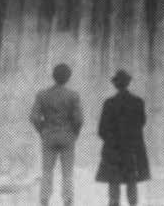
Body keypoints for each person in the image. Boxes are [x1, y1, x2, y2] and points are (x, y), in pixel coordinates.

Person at [30, 63, 83, 206]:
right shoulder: (73, 95)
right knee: (67, 173)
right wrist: (75, 133)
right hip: (67, 136)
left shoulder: (42, 94)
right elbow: (79, 119)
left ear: (53, 76)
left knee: (47, 171)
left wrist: (42, 130)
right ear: (68, 78)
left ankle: (44, 200)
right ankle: (68, 200)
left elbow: (34, 117)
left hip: (48, 135)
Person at [96, 70, 150, 206]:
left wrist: (111, 141)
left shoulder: (109, 103)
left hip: (113, 149)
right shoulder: (138, 102)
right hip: (132, 148)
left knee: (114, 183)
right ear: (128, 83)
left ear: (115, 85)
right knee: (132, 181)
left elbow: (102, 130)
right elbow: (141, 123)